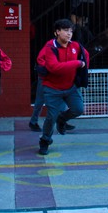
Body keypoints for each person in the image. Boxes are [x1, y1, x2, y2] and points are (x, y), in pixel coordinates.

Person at [36, 19, 89, 155]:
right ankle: (45, 140)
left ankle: (62, 119)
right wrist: (77, 63)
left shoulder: (75, 46)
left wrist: (81, 71)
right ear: (57, 32)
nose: (69, 33)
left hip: (71, 87)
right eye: (65, 30)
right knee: (51, 116)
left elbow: (86, 56)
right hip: (52, 88)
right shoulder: (50, 47)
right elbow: (55, 68)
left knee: (78, 109)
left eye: (71, 31)